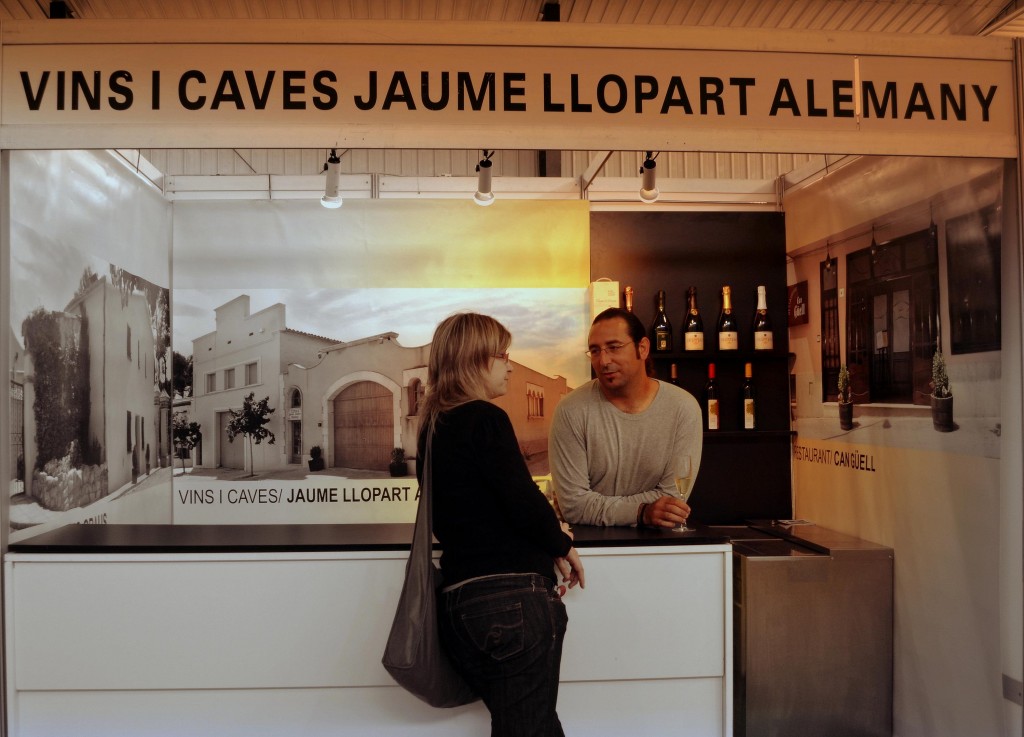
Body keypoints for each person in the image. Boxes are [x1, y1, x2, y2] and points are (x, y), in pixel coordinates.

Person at [418, 311, 585, 737]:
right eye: (502, 355)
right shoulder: (485, 418)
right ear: (475, 360)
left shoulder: (433, 428)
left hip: (459, 608)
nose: (509, 365)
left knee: (535, 727)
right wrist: (561, 542)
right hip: (512, 605)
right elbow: (523, 501)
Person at [549, 307, 703, 528]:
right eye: (595, 351)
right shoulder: (570, 410)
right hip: (591, 552)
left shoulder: (683, 408)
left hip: (664, 550)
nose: (603, 361)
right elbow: (574, 505)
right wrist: (642, 512)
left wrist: (604, 506)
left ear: (642, 348)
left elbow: (673, 501)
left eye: (614, 347)